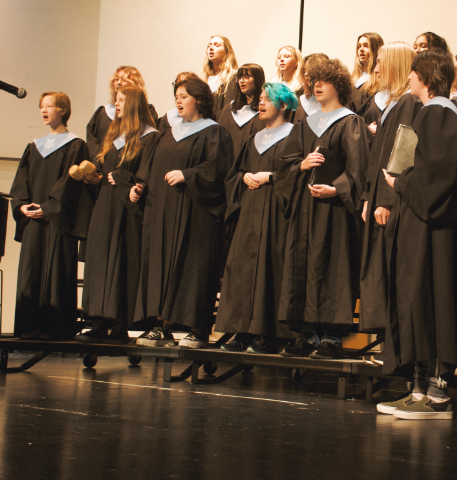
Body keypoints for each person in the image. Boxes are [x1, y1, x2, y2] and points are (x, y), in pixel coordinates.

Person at [377, 48, 457, 420]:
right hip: (424, 225)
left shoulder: (439, 112)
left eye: (414, 73)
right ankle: (419, 388)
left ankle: (436, 393)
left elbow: (436, 173)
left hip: (437, 231)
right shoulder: (433, 111)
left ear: (427, 77)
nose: (409, 78)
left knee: (434, 300)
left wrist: (400, 182)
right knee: (420, 300)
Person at [131, 77, 234, 348]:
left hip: (195, 214)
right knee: (161, 265)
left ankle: (197, 329)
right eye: (176, 95)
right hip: (163, 212)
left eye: (184, 95)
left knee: (194, 269)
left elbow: (218, 171)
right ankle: (160, 325)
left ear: (199, 99)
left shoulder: (214, 132)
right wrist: (140, 186)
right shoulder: (166, 132)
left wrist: (188, 175)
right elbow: (149, 168)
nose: (178, 100)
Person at [276, 59, 369, 359]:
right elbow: (285, 164)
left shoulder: (350, 122)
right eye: (314, 80)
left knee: (332, 265)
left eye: (324, 81)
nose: (316, 85)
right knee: (302, 266)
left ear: (338, 85)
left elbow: (359, 169)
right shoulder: (304, 124)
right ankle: (307, 333)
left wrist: (337, 188)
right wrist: (301, 165)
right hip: (305, 207)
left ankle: (331, 335)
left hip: (334, 212)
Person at [216, 83, 299, 353]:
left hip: (277, 213)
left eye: (267, 100)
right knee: (242, 269)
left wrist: (272, 177)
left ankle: (272, 334)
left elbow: (297, 173)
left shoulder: (294, 136)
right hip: (250, 212)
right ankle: (243, 332)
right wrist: (243, 177)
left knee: (271, 269)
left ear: (284, 106)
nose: (261, 103)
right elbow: (236, 172)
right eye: (260, 99)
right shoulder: (254, 137)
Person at [78, 87, 159, 343]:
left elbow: (146, 174)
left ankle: (120, 325)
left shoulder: (149, 137)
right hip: (105, 205)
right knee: (101, 260)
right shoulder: (115, 136)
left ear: (134, 104)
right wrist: (94, 176)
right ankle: (99, 321)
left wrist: (128, 182)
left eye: (122, 100)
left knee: (124, 261)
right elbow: (107, 170)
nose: (117, 104)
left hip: (127, 208)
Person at [10, 92, 92, 340]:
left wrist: (50, 206)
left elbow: (71, 183)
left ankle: (55, 330)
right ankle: (28, 328)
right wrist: (22, 205)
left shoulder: (76, 145)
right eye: (41, 107)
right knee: (30, 270)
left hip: (58, 220)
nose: (44, 111)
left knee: (57, 272)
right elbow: (21, 181)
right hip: (34, 219)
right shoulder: (34, 146)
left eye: (50, 106)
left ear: (63, 110)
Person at [358, 42, 420, 333]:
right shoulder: (394, 102)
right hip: (378, 197)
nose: (376, 68)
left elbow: (401, 157)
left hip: (391, 199)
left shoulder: (409, 103)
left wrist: (386, 200)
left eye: (381, 61)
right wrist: (369, 197)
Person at [86, 66, 156, 161]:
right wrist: (99, 161)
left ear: (135, 83)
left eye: (123, 79)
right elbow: (92, 141)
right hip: (104, 163)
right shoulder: (102, 113)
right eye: (116, 79)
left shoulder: (147, 111)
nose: (118, 83)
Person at [216, 64, 267, 155]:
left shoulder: (264, 110)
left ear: (258, 79)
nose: (242, 80)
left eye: (247, 76)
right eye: (239, 77)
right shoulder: (229, 110)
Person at [292, 53, 331, 123]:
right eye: (304, 71)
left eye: (310, 70)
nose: (306, 74)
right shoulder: (300, 103)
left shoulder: (336, 103)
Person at [351, 33, 384, 113]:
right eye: (359, 46)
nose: (361, 49)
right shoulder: (352, 79)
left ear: (376, 49)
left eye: (366, 46)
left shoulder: (381, 81)